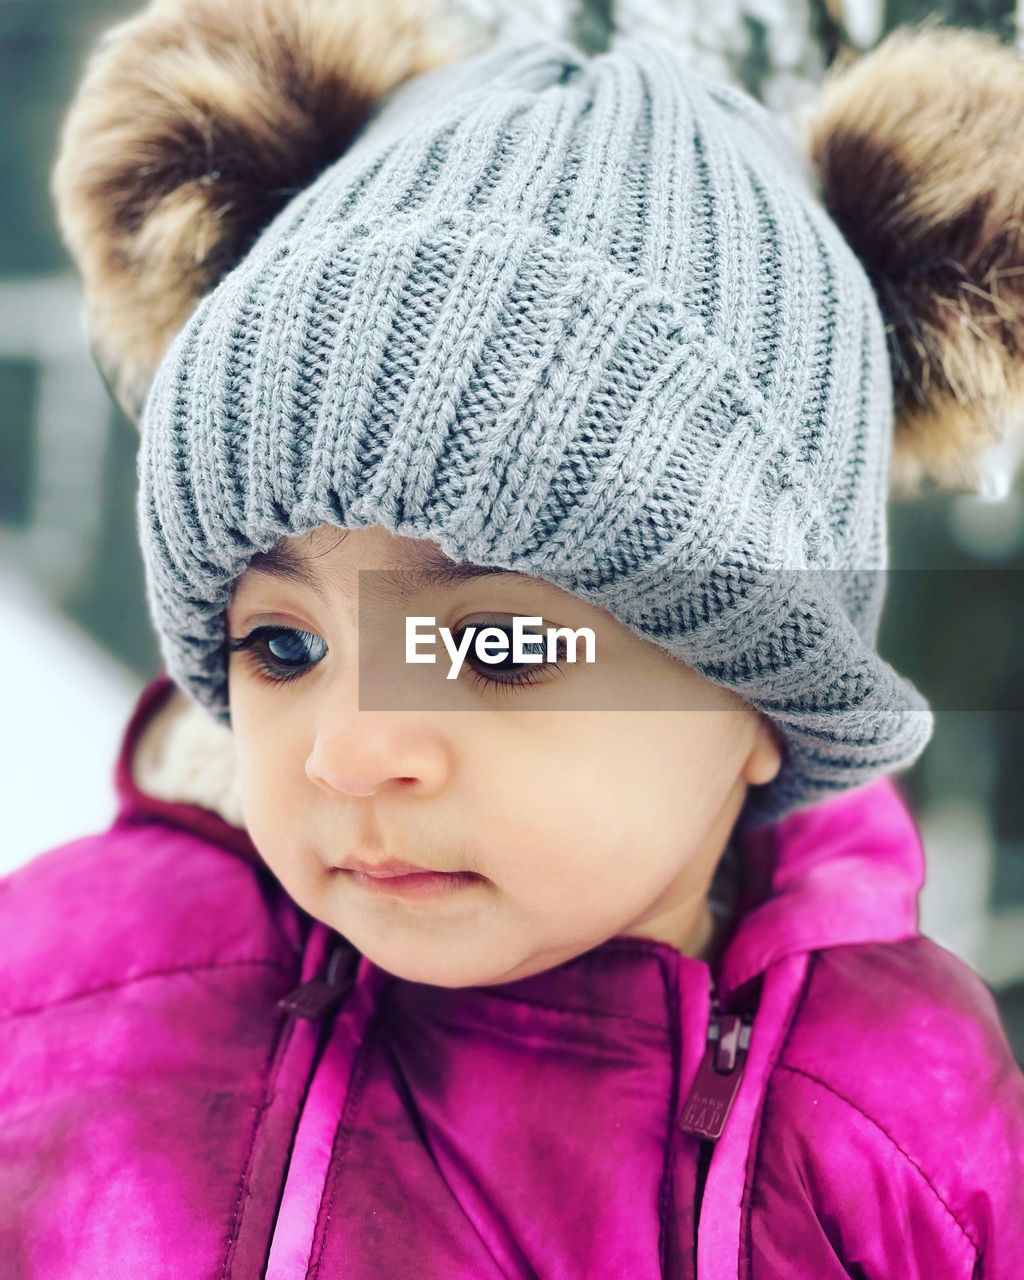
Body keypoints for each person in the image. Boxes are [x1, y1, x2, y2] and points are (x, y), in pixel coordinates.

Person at [3, 0, 1023, 1274]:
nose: (350, 751)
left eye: (494, 648)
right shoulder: (58, 989)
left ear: (763, 697)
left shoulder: (896, 1129)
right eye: (284, 648)